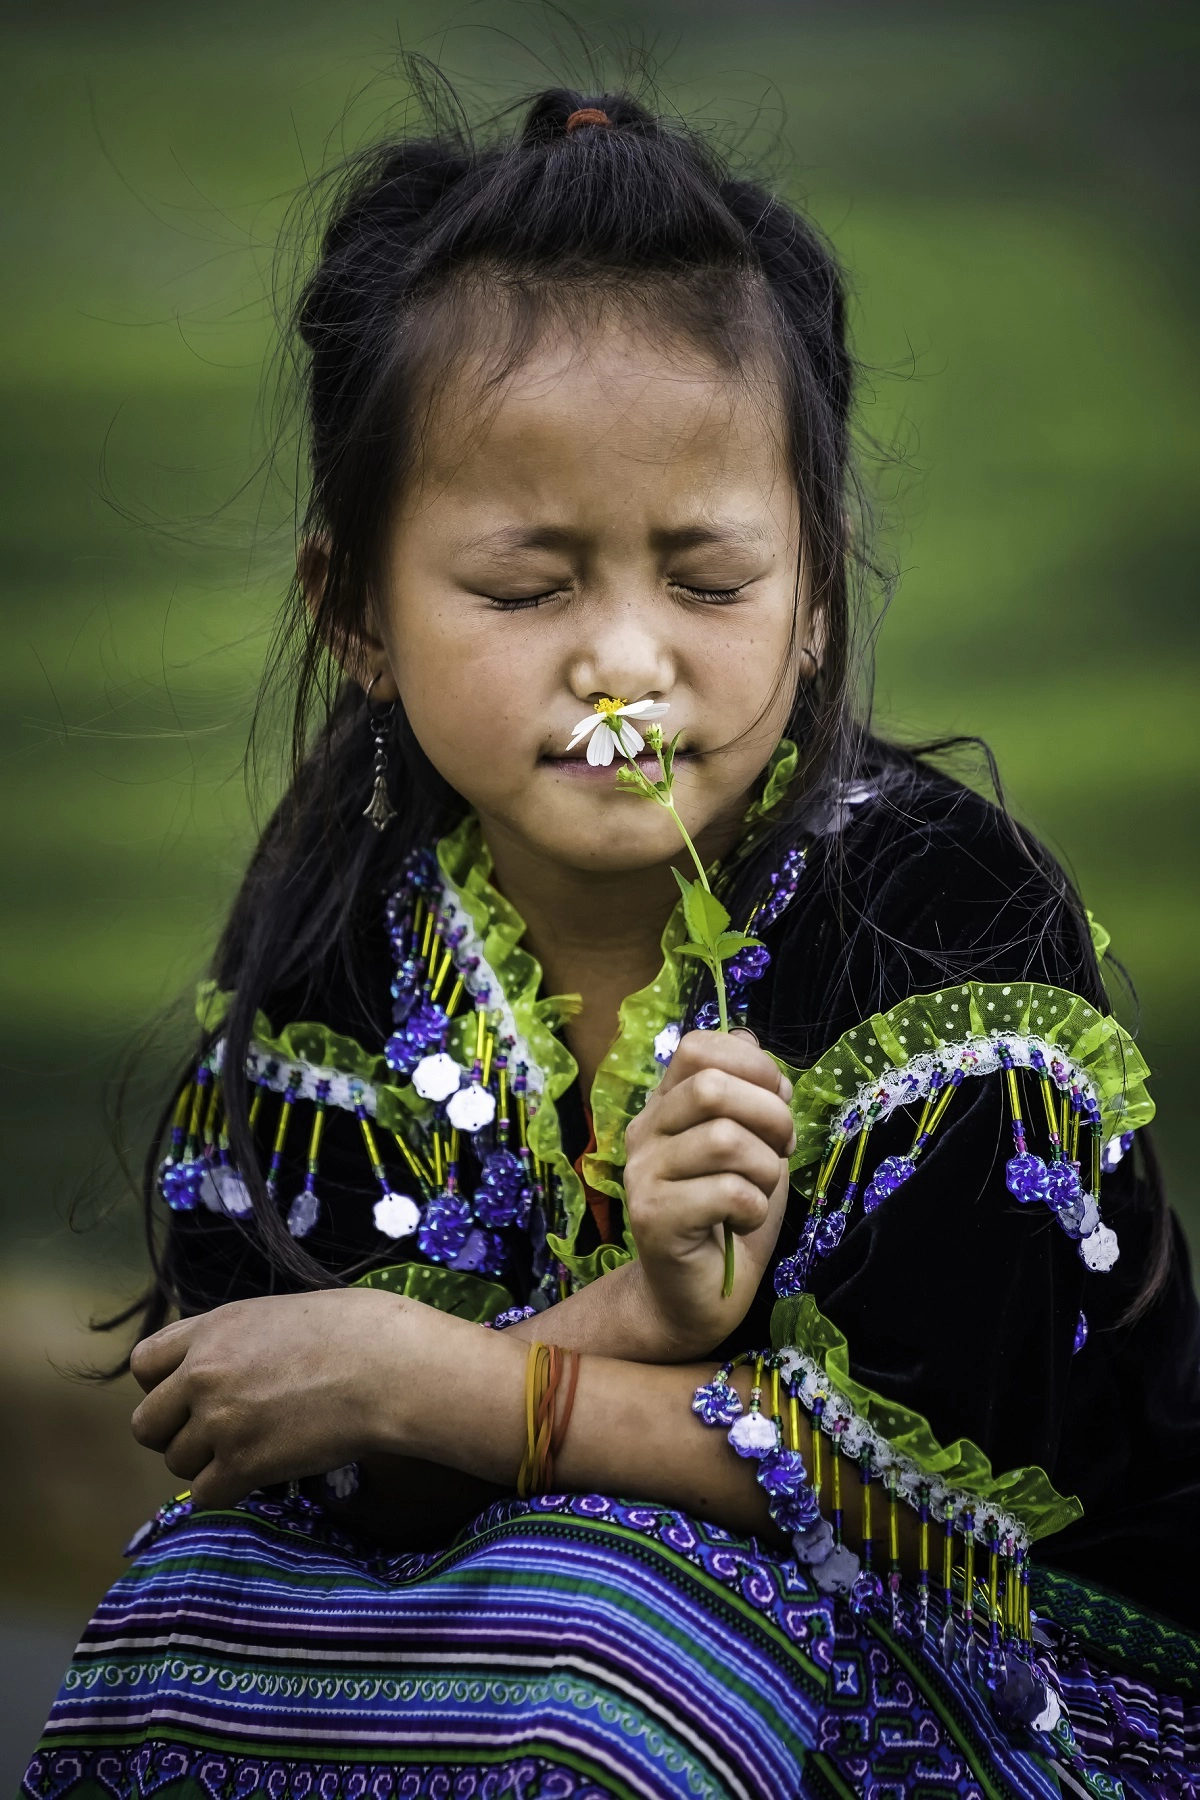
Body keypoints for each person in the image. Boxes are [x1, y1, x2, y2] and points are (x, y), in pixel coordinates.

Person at [23, 86, 1200, 1800]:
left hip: (1033, 1678)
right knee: (184, 1608)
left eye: (709, 581)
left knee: (602, 1627)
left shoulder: (950, 929)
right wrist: (632, 1317)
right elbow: (292, 1442)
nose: (626, 661)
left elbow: (935, 1507)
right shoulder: (338, 944)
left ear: (814, 599)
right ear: (352, 609)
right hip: (535, 1611)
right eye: (527, 588)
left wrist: (489, 1392)